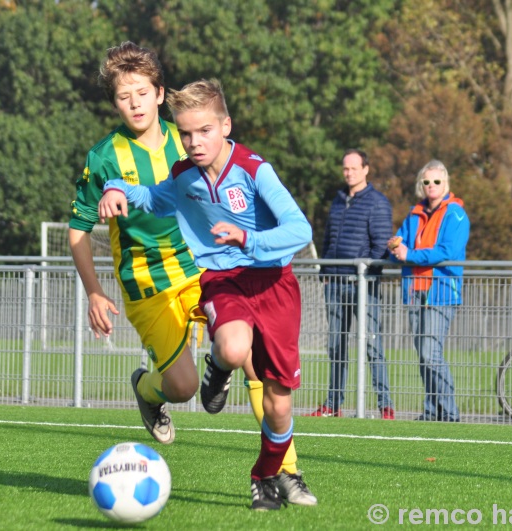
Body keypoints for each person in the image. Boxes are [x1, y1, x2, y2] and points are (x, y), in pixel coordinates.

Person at [69, 45, 315, 506]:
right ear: (115, 103)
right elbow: (82, 228)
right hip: (148, 284)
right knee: (181, 387)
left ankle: (285, 471)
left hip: (202, 273)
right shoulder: (104, 156)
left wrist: (248, 242)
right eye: (125, 97)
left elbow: (274, 213)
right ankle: (148, 388)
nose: (136, 103)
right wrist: (95, 291)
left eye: (143, 92)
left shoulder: (189, 134)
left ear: (160, 94)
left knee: (249, 359)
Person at [308, 149, 395, 420]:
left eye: (354, 168)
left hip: (363, 284)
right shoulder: (338, 200)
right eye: (345, 168)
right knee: (336, 345)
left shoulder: (377, 203)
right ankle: (333, 404)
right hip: (334, 283)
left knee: (371, 344)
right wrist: (324, 270)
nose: (349, 173)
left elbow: (381, 246)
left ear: (366, 169)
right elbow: (327, 238)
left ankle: (385, 406)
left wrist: (367, 273)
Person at [388, 159, 470, 422]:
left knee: (430, 353)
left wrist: (409, 254)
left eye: (436, 181)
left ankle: (449, 413)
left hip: (441, 292)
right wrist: (394, 248)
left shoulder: (456, 214)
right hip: (415, 291)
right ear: (420, 185)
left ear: (446, 184)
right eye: (427, 182)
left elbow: (447, 252)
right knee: (424, 357)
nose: (431, 186)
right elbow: (400, 248)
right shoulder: (413, 215)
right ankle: (432, 411)